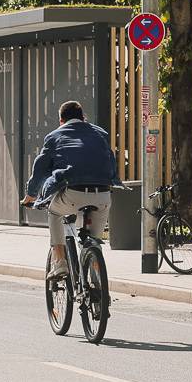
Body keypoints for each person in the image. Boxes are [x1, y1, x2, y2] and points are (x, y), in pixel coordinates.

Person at [19, 100, 119, 279]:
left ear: (61, 121)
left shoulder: (55, 136)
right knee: (94, 243)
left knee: (55, 213)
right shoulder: (101, 134)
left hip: (73, 193)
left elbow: (40, 169)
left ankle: (59, 263)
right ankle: (97, 287)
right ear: (84, 118)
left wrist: (30, 195)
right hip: (103, 195)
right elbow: (111, 162)